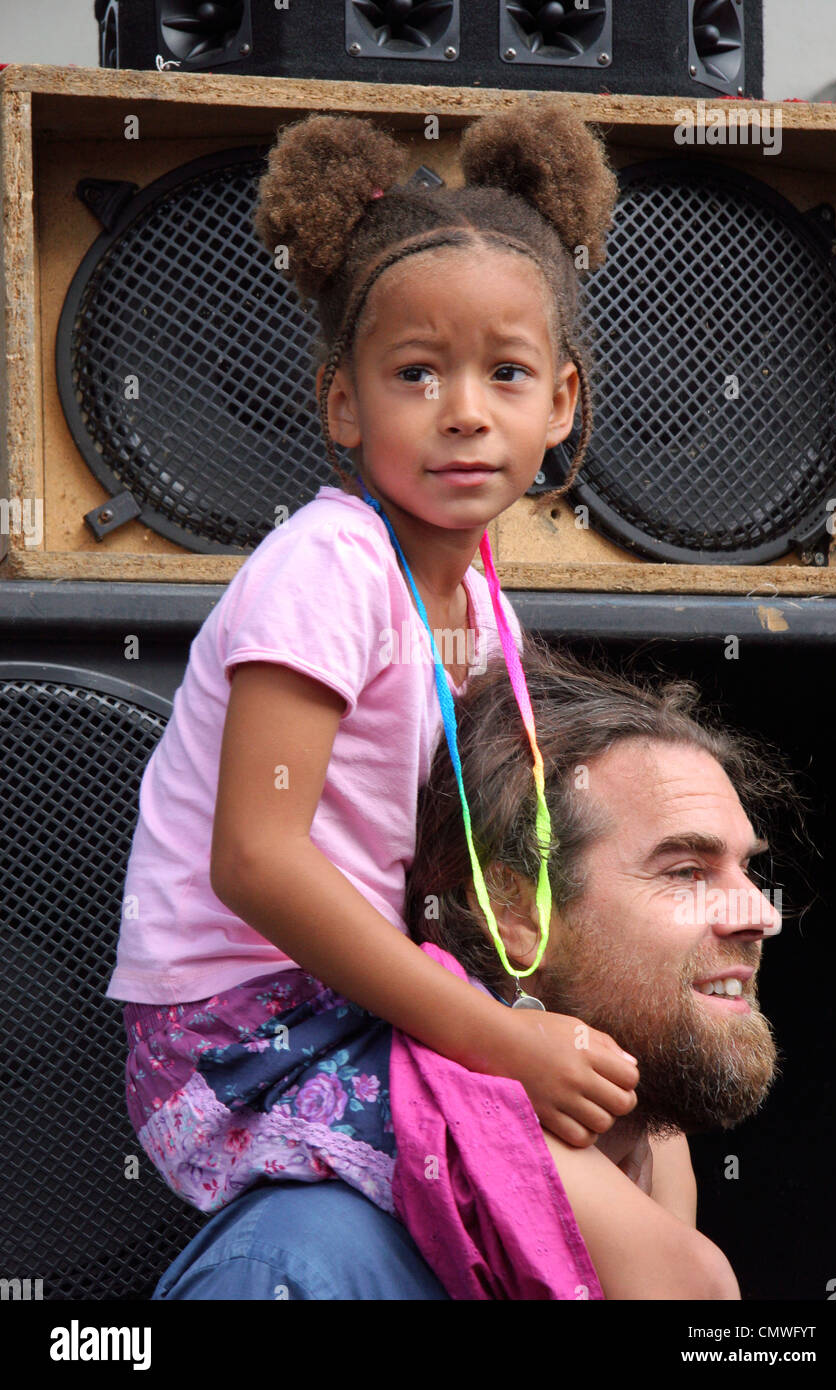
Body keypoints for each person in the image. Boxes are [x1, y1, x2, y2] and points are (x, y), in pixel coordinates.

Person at [110, 96, 643, 1288]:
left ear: (559, 404)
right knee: (634, 1249)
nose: (462, 410)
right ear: (342, 404)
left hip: (356, 997)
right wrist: (503, 1042)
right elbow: (256, 858)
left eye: (504, 373)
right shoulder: (328, 567)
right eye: (415, 373)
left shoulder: (482, 605)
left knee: (640, 1142)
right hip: (246, 1040)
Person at [153, 638, 800, 1299]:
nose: (758, 913)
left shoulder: (659, 1181)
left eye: (747, 868)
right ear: (513, 911)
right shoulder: (298, 1275)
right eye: (686, 872)